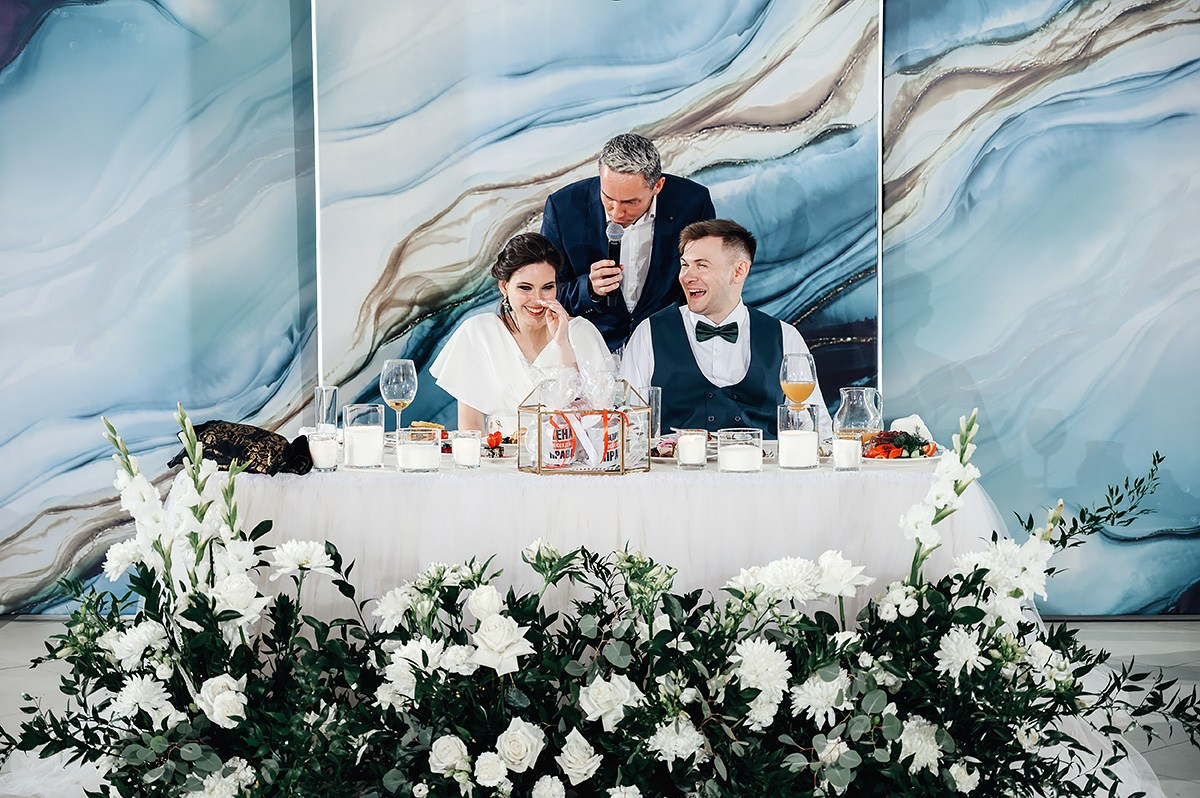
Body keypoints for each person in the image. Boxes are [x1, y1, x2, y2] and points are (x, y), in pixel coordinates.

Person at [620, 219, 833, 438]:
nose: (687, 276)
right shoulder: (649, 333)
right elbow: (628, 427)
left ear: (739, 271)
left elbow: (816, 429)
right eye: (685, 265)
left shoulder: (785, 337)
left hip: (764, 461)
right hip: (676, 461)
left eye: (701, 265)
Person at [541, 132, 715, 352]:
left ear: (658, 186)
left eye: (631, 202)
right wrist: (589, 289)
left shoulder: (693, 203)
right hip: (591, 346)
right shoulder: (562, 208)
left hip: (668, 344)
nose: (616, 212)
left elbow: (706, 278)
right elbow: (546, 291)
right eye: (608, 198)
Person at [430, 233, 613, 435]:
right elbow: (470, 427)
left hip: (567, 452)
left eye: (547, 287)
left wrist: (563, 344)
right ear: (504, 286)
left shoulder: (581, 333)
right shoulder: (478, 333)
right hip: (497, 452)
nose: (537, 299)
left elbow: (600, 419)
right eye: (525, 288)